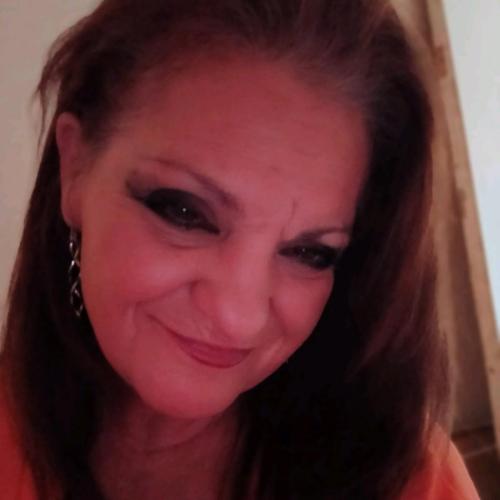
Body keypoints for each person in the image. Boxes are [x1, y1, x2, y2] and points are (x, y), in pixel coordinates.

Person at [0, 1, 480, 499]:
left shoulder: (414, 485)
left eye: (309, 253)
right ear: (76, 168)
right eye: (185, 213)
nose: (238, 318)